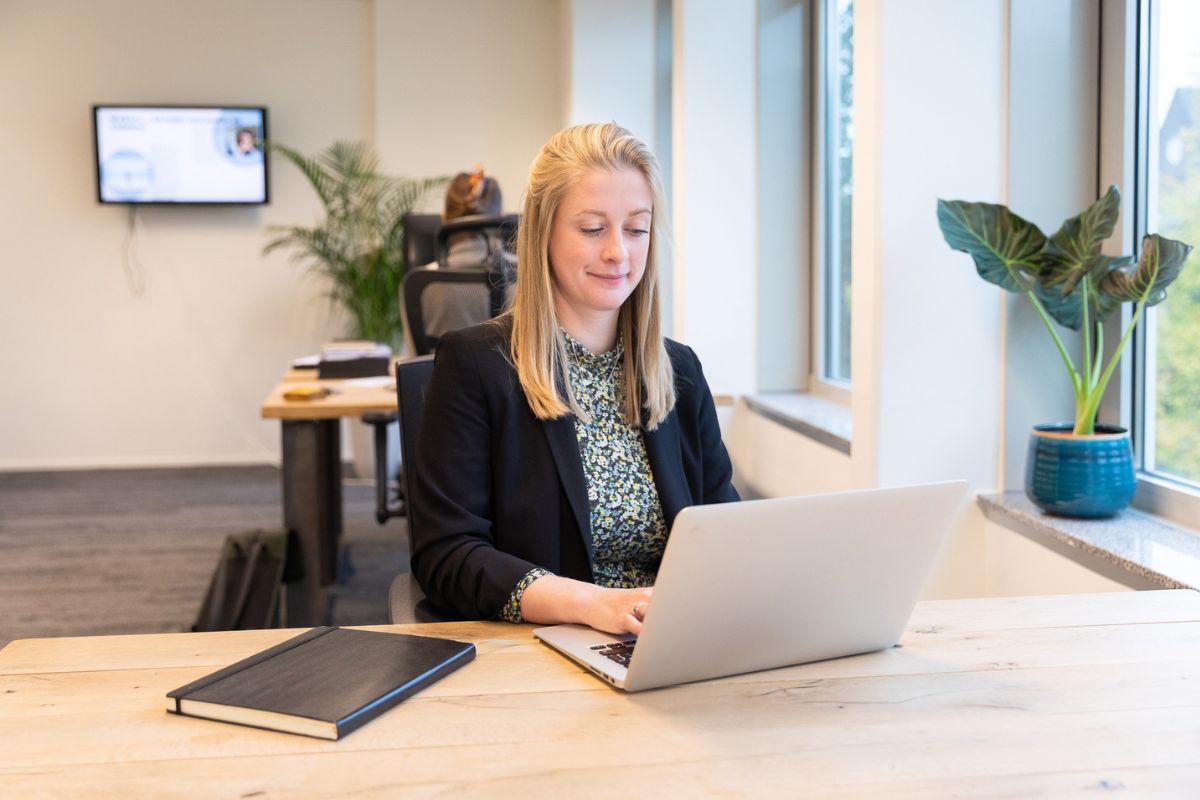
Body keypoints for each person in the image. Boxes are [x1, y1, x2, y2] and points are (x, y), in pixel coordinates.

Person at [409, 122, 738, 635]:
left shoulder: (681, 372)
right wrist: (591, 603)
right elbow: (447, 555)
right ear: (543, 233)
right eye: (591, 229)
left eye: (636, 229)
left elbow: (725, 533)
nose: (618, 252)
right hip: (545, 653)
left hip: (675, 642)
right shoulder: (477, 366)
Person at [415, 167, 515, 346]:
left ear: (445, 217)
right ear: (500, 218)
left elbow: (414, 364)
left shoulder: (419, 283)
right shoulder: (528, 276)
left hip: (441, 375)